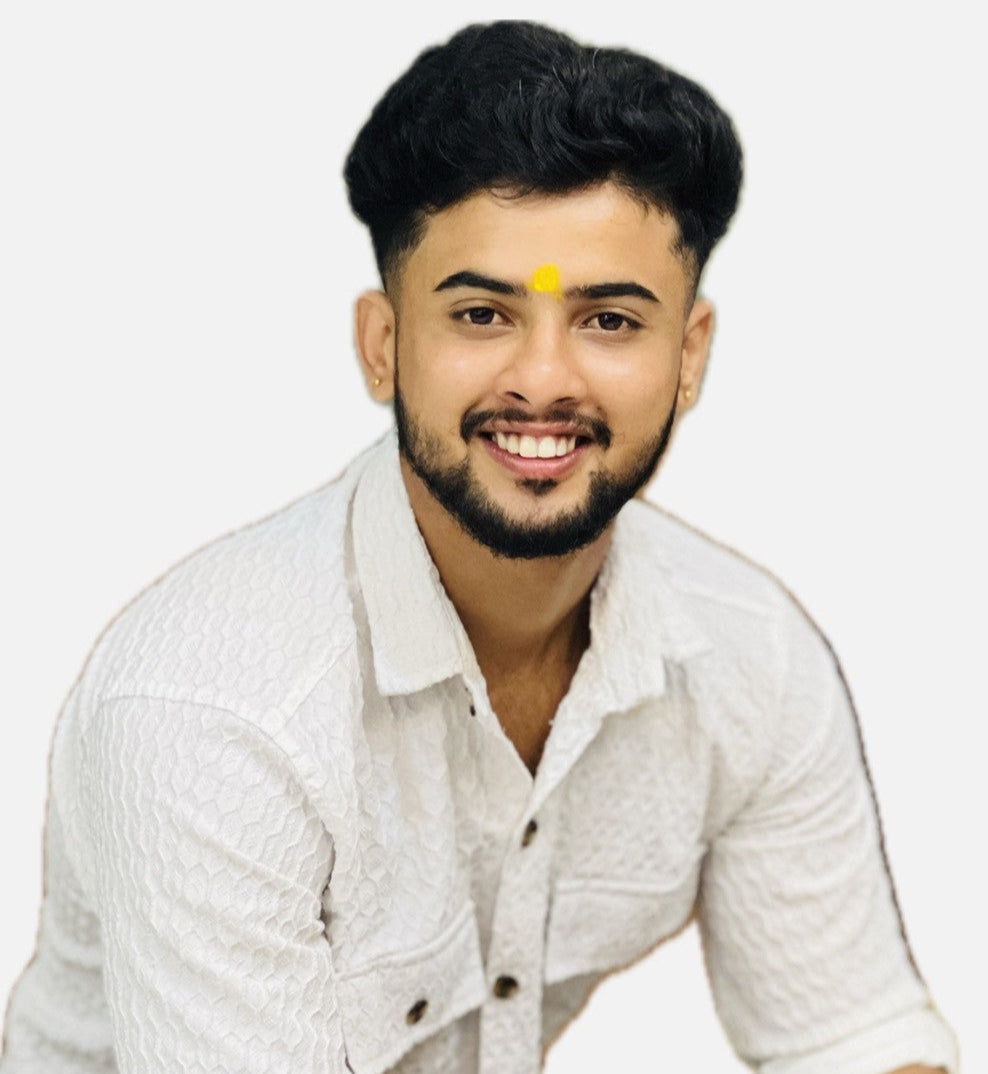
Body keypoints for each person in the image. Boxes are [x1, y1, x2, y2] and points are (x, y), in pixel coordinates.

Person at [0, 20, 959, 1074]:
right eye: (480, 313)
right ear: (383, 345)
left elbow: (853, 1041)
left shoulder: (749, 655)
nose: (544, 379)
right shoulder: (212, 709)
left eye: (607, 321)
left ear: (689, 356)